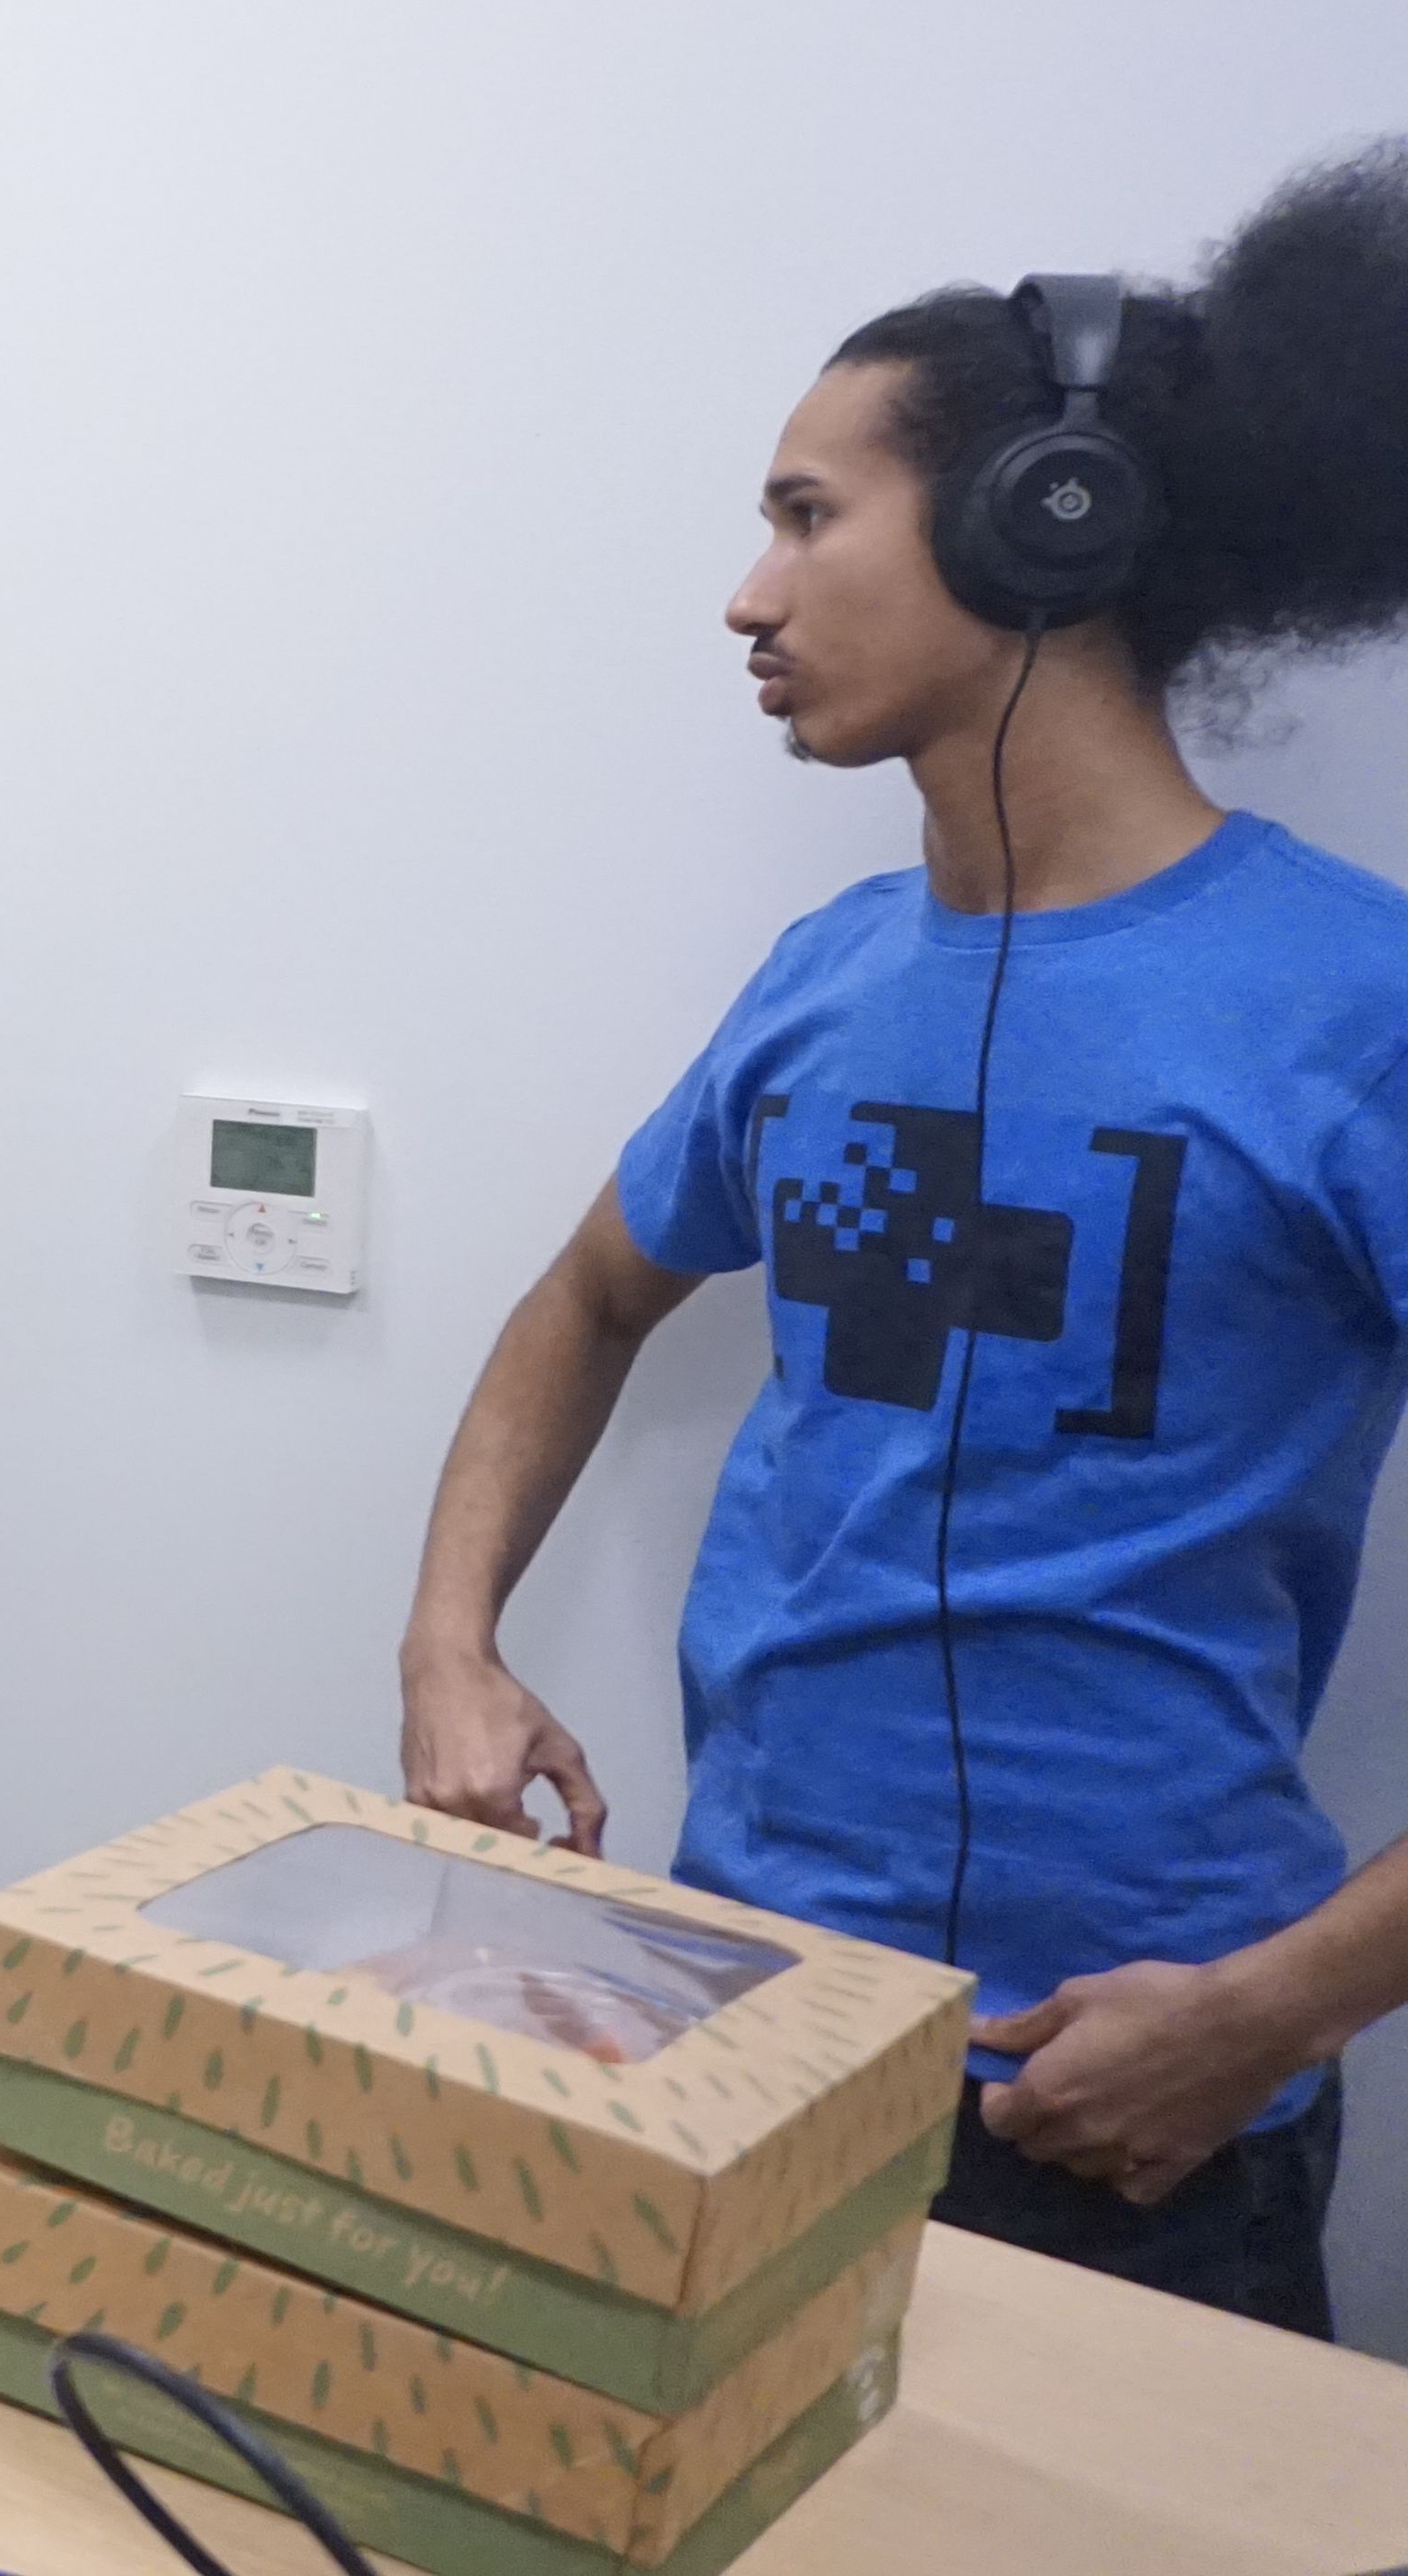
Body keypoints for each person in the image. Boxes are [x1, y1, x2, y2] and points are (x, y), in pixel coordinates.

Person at [396, 142, 1408, 2336]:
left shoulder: (1361, 1003)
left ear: (1046, 518)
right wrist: (451, 1639)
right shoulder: (827, 978)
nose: (746, 597)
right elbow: (587, 1297)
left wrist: (1277, 2006)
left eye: (805, 514)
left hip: (1128, 2099)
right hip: (746, 2024)